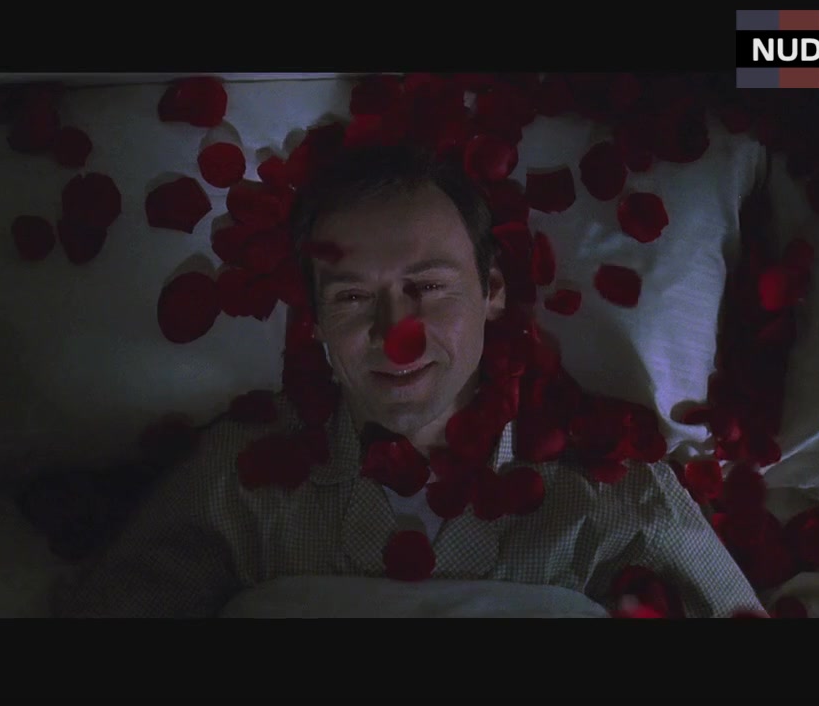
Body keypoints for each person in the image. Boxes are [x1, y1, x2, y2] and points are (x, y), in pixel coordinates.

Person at [54, 143, 766, 618]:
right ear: (315, 320)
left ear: (491, 291)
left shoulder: (615, 490)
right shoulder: (235, 480)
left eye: (426, 286)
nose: (396, 330)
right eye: (353, 296)